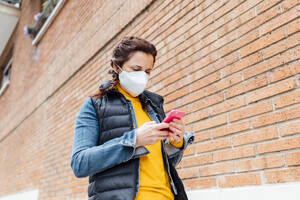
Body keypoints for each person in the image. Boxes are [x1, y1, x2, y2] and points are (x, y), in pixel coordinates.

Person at [70, 36, 194, 200]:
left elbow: (161, 165)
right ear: (116, 66)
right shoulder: (95, 105)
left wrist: (174, 144)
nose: (142, 76)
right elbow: (80, 164)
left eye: (147, 71)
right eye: (136, 69)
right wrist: (133, 140)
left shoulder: (154, 105)